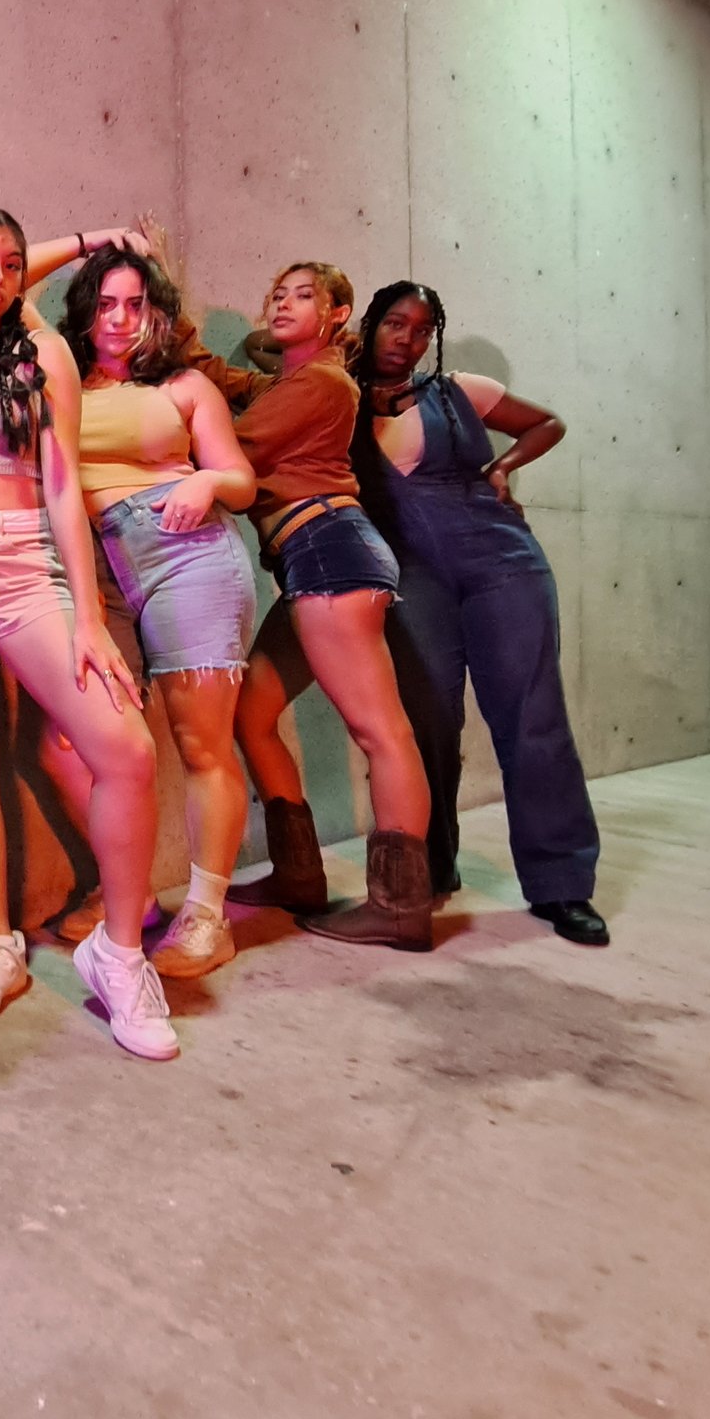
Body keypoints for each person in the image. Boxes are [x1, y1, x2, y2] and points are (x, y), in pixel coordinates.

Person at [0, 207, 178, 1060]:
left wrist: (87, 616)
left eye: (13, 264)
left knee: (126, 751)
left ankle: (120, 956)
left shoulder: (38, 350)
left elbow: (60, 491)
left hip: (22, 564)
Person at [351, 281, 606, 944]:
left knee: (532, 719)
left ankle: (562, 884)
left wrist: (501, 467)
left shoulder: (459, 390)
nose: (406, 339)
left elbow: (546, 423)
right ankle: (430, 871)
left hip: (503, 565)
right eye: (394, 323)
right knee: (425, 725)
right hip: (411, 576)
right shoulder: (338, 398)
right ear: (370, 322)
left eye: (421, 330)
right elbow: (267, 348)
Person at [45, 245, 260, 978]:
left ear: (156, 313)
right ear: (84, 312)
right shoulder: (60, 382)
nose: (120, 319)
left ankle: (205, 915)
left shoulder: (184, 385)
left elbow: (240, 478)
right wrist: (94, 237)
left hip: (184, 553)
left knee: (203, 745)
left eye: (135, 304)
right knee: (69, 743)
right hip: (95, 571)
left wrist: (209, 483)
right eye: (105, 303)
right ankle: (129, 893)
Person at [230, 262, 438, 950]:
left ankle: (400, 905)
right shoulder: (293, 382)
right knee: (251, 711)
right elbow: (235, 378)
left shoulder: (322, 380)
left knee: (382, 731)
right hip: (312, 559)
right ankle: (298, 875)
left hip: (329, 552)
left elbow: (239, 446)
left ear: (338, 312)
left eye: (304, 295)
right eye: (277, 293)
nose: (283, 303)